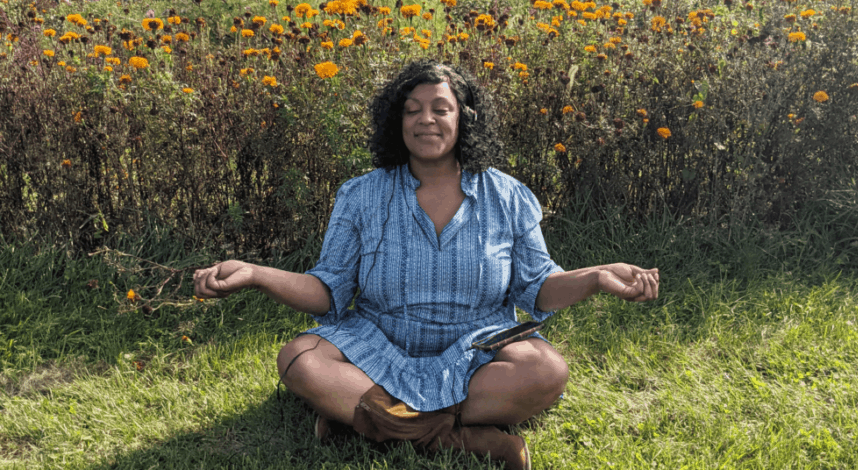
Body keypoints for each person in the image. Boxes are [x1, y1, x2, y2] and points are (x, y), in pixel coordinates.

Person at [192, 60, 659, 470]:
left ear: (464, 118)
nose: (425, 120)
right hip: (379, 340)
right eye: (411, 110)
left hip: (478, 345)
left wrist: (596, 277)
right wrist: (255, 274)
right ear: (396, 122)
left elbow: (538, 287)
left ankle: (369, 422)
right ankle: (464, 439)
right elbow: (327, 290)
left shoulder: (508, 196)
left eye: (440, 107)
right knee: (299, 359)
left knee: (546, 371)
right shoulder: (361, 195)